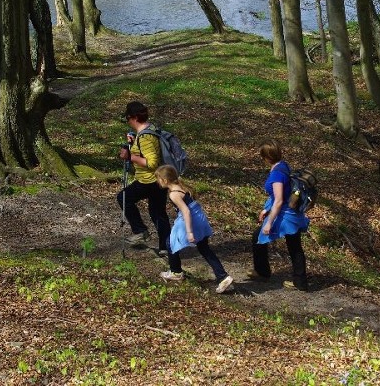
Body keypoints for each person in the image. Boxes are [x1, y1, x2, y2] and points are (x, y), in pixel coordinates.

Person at [154, 165, 234, 294]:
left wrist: (190, 232)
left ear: (165, 180)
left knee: (170, 242)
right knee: (204, 248)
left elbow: (186, 211)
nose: (157, 182)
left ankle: (176, 272)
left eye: (158, 179)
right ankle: (223, 277)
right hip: (199, 219)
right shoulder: (182, 187)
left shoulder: (174, 194)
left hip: (191, 221)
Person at [250, 139, 310, 291]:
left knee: (258, 237)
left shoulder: (276, 174)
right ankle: (300, 281)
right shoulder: (283, 165)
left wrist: (269, 222)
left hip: (285, 216)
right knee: (294, 246)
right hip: (293, 214)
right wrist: (266, 209)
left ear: (266, 157)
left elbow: (278, 200)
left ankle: (263, 272)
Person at [117, 101, 171, 255]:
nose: (128, 122)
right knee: (158, 213)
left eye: (128, 118)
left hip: (149, 180)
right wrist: (134, 143)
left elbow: (151, 162)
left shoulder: (145, 137)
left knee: (123, 197)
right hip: (160, 180)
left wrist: (129, 156)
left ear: (134, 117)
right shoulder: (151, 130)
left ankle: (140, 231)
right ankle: (165, 247)